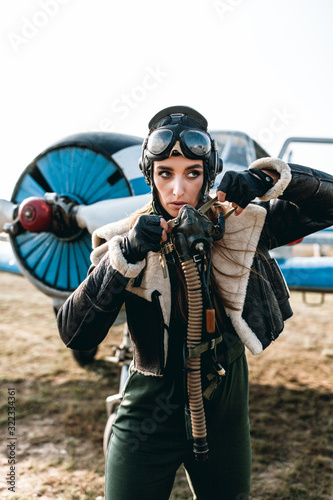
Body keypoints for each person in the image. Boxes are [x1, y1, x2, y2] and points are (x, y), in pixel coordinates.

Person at [57, 106, 333, 500]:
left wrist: (268, 179)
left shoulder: (244, 224)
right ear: (149, 175)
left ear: (209, 174)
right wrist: (128, 255)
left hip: (225, 409)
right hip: (147, 412)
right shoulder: (122, 240)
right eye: (165, 173)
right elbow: (75, 334)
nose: (178, 190)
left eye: (192, 173)